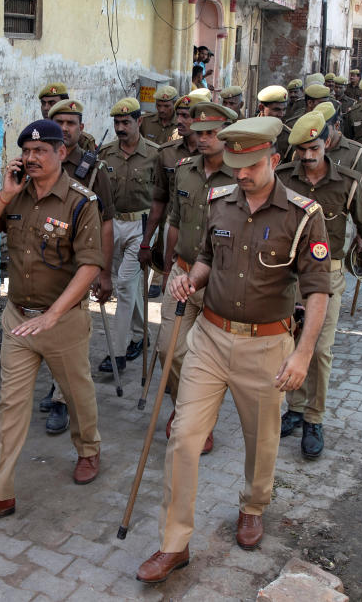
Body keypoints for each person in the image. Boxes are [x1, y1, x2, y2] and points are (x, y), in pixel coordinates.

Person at [135, 116, 332, 583]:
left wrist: (302, 355)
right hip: (209, 336)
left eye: (250, 165)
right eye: (235, 164)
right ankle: (174, 542)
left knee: (260, 442)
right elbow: (205, 256)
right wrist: (190, 279)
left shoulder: (304, 215)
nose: (240, 174)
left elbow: (318, 291)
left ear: (274, 160)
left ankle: (253, 504)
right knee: (183, 438)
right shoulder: (218, 202)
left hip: (266, 346)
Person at [0, 120, 104, 525]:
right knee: (11, 406)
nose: (31, 157)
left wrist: (55, 315)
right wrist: (4, 196)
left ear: (61, 153)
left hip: (62, 323)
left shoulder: (81, 201)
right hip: (18, 319)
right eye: (27, 150)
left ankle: (89, 449)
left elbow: (91, 265)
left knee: (77, 395)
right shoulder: (17, 197)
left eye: (41, 150)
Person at [276, 112, 362, 459]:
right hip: (286, 274)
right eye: (301, 150)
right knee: (288, 344)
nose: (308, 157)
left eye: (314, 148)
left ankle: (314, 417)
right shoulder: (282, 178)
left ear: (327, 143)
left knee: (320, 349)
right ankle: (294, 408)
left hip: (328, 275)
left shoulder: (349, 182)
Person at [154, 101, 237, 455]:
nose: (202, 139)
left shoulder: (241, 175)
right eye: (199, 132)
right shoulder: (185, 170)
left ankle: (200, 421)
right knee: (168, 350)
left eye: (210, 133)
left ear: (226, 135)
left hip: (221, 279)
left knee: (211, 359)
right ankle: (184, 405)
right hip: (183, 273)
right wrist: (167, 259)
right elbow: (174, 217)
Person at [37, 99, 115, 434]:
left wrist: (104, 272)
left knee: (68, 338)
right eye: (60, 123)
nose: (66, 128)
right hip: (45, 266)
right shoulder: (38, 162)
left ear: (81, 128)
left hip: (77, 270)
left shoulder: (94, 170)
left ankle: (61, 401)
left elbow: (107, 223)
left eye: (72, 123)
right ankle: (57, 388)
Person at [98, 98, 160, 373]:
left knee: (124, 284)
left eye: (126, 122)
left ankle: (117, 353)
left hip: (142, 227)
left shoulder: (155, 155)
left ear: (139, 122)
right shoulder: (106, 153)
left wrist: (154, 236)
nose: (121, 128)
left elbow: (162, 197)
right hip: (112, 224)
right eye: (117, 123)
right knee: (127, 285)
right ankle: (141, 333)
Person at [139, 92, 209, 308]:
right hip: (173, 227)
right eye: (179, 115)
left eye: (187, 116)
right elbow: (158, 201)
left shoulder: (215, 153)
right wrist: (146, 241)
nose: (180, 121)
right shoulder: (167, 154)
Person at [37, 82, 97, 151]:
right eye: (43, 103)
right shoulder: (36, 134)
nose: (46, 108)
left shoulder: (83, 140)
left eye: (52, 103)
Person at [256, 85, 291, 158]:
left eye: (284, 109)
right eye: (276, 109)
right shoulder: (247, 130)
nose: (281, 114)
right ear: (261, 108)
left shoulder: (288, 136)